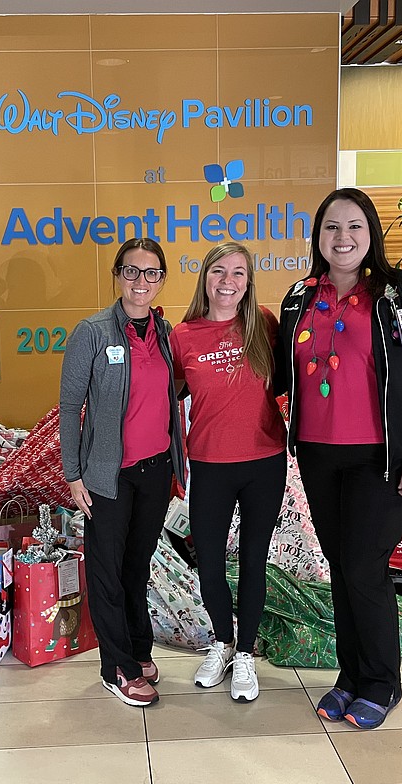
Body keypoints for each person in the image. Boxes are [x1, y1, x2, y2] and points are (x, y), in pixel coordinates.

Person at [277, 188, 402, 730]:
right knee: (341, 568)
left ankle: (381, 682)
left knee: (364, 567)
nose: (343, 237)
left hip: (381, 459)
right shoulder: (299, 297)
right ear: (318, 237)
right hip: (319, 456)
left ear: (371, 233)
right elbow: (278, 374)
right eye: (332, 227)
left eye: (354, 226)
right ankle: (349, 677)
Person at [59, 238, 185, 707]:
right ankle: (118, 668)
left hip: (154, 473)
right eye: (131, 271)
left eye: (151, 273)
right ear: (117, 275)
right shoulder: (91, 332)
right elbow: (70, 408)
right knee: (108, 572)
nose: (140, 282)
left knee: (136, 567)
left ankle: (138, 649)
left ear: (161, 281)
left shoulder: (164, 331)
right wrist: (74, 475)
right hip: (108, 477)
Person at [170, 242, 286, 702]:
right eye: (219, 271)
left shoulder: (265, 325)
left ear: (248, 281)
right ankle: (221, 642)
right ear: (205, 277)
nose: (228, 281)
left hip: (264, 461)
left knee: (254, 561)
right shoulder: (183, 335)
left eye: (239, 273)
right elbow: (166, 394)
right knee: (211, 561)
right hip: (210, 463)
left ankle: (246, 656)